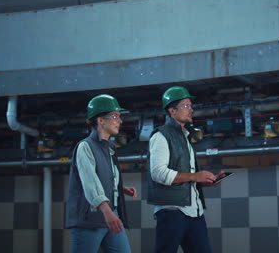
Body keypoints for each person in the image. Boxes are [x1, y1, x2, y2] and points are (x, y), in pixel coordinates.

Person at [147, 86, 225, 253]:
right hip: (172, 211)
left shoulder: (185, 137)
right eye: (186, 106)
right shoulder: (161, 136)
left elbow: (188, 178)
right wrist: (195, 176)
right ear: (172, 111)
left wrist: (205, 182)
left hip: (194, 211)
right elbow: (158, 173)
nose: (191, 110)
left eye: (191, 106)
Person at [66, 94, 137, 253]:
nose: (120, 121)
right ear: (100, 120)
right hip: (90, 219)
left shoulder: (109, 147)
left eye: (119, 117)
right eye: (115, 116)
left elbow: (102, 176)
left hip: (110, 215)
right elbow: (90, 182)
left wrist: (119, 187)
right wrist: (107, 211)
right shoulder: (85, 146)